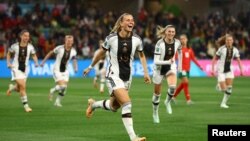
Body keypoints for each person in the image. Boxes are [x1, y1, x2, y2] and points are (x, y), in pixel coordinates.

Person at [83, 13, 151, 141]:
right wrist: (90, 67)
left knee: (114, 107)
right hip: (113, 75)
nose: (131, 22)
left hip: (127, 77)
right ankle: (133, 137)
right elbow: (100, 55)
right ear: (121, 23)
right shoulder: (111, 39)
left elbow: (141, 55)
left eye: (132, 20)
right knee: (127, 104)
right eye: (128, 20)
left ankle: (93, 105)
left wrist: (146, 72)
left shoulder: (137, 39)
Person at [151, 25, 182, 123]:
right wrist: (168, 62)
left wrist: (180, 66)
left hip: (170, 67)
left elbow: (180, 52)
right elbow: (156, 61)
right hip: (159, 68)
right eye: (169, 31)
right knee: (157, 95)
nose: (171, 33)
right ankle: (155, 113)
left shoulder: (177, 42)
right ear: (165, 32)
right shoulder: (159, 44)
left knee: (172, 87)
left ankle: (167, 101)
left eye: (173, 32)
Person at [6, 29, 39, 112]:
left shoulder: (31, 47)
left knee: (18, 88)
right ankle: (26, 106)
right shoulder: (15, 46)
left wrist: (36, 62)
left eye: (28, 36)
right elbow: (9, 54)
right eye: (25, 36)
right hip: (16, 68)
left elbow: (34, 55)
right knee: (23, 86)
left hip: (25, 69)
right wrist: (8, 63)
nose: (26, 37)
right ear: (21, 36)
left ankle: (11, 88)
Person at [40, 35, 78, 107]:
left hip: (65, 71)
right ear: (65, 41)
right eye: (68, 41)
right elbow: (50, 53)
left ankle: (57, 102)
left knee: (64, 88)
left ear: (73, 42)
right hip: (57, 70)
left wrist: (75, 68)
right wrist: (43, 62)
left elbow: (74, 60)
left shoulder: (73, 51)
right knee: (63, 86)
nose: (69, 42)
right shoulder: (59, 48)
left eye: (71, 41)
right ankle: (52, 90)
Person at [211, 34, 243, 108]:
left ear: (232, 41)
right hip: (221, 71)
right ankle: (219, 85)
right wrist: (212, 70)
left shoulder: (235, 50)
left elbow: (238, 60)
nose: (229, 41)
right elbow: (214, 59)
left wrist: (241, 70)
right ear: (225, 41)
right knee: (224, 89)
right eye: (227, 40)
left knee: (229, 88)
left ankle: (223, 103)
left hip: (229, 70)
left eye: (230, 40)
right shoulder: (221, 49)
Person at [172, 34, 203, 104]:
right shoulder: (179, 49)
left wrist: (199, 66)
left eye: (184, 39)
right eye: (181, 39)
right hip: (181, 69)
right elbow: (174, 58)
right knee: (186, 82)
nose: (182, 40)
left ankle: (173, 96)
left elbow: (193, 59)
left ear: (187, 40)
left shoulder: (190, 50)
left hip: (187, 70)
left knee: (183, 84)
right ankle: (188, 100)